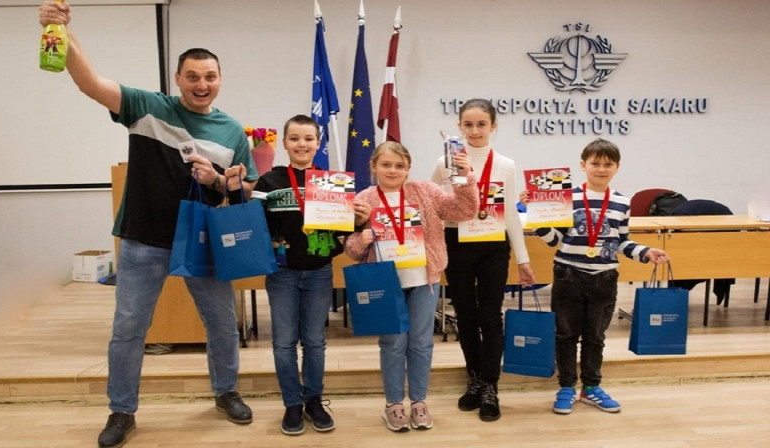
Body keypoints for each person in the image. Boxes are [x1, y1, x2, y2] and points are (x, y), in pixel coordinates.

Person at [38, 2, 258, 447]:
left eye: (210, 76)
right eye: (193, 76)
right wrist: (61, 29)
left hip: (203, 240)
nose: (202, 84)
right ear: (178, 79)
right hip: (144, 238)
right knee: (129, 328)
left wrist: (217, 178)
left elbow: (246, 187)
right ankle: (122, 411)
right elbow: (90, 83)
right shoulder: (145, 106)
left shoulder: (232, 130)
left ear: (219, 80)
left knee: (220, 324)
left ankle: (226, 392)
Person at [347, 141, 478, 432]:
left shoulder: (425, 192)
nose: (393, 170)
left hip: (423, 281)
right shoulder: (363, 199)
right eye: (386, 164)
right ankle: (393, 404)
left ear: (408, 168)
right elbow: (352, 250)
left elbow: (464, 210)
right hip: (385, 283)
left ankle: (418, 401)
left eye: (399, 165)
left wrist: (466, 178)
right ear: (373, 166)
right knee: (393, 344)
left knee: (421, 343)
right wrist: (361, 238)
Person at [535, 138, 670, 415]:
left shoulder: (621, 202)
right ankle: (566, 386)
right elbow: (554, 239)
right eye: (595, 163)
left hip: (604, 278)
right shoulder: (566, 198)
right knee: (566, 335)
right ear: (583, 165)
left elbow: (621, 241)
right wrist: (537, 219)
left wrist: (645, 252)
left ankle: (591, 387)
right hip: (568, 274)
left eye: (608, 164)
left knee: (596, 337)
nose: (601, 169)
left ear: (617, 168)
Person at [236, 115, 343, 436]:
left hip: (319, 273)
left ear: (318, 142)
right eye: (295, 138)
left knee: (315, 342)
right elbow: (254, 225)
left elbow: (338, 236)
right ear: (284, 143)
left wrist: (351, 226)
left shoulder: (330, 182)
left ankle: (313, 400)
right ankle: (292, 404)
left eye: (308, 138)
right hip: (282, 275)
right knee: (283, 343)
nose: (302, 144)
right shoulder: (269, 181)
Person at [430, 98, 535, 421]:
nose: (474, 131)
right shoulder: (444, 162)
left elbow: (513, 218)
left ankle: (491, 384)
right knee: (465, 313)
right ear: (459, 126)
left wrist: (523, 258)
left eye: (481, 124)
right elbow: (430, 208)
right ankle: (474, 377)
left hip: (493, 245)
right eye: (468, 124)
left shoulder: (506, 164)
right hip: (457, 244)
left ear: (494, 127)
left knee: (490, 316)